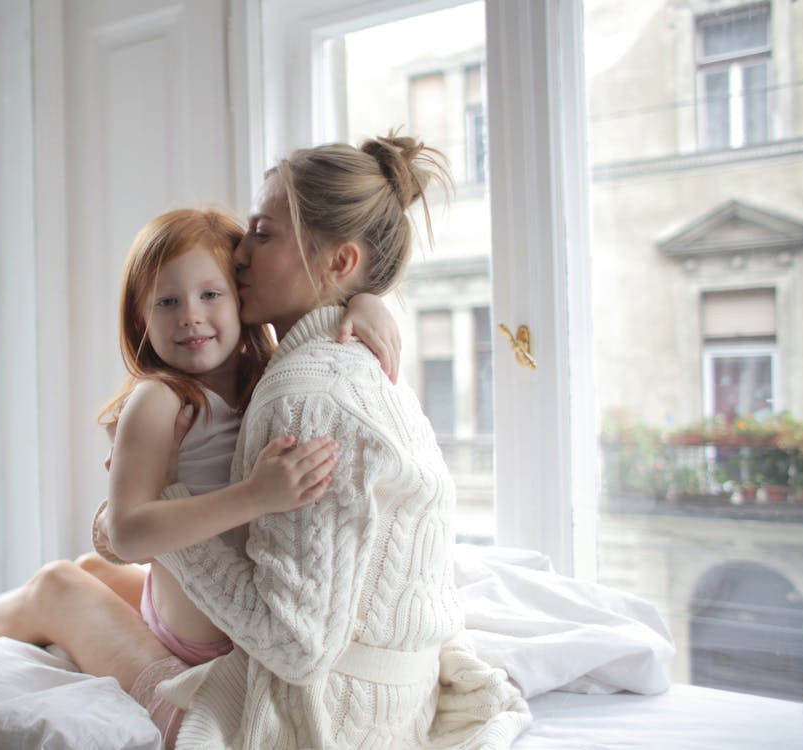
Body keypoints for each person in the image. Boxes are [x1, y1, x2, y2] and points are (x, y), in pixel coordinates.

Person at [0, 205, 402, 747]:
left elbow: (322, 311)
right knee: (60, 581)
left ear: (243, 300)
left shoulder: (275, 376)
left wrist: (366, 302)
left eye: (211, 295)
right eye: (167, 301)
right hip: (195, 636)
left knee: (83, 571)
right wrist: (254, 496)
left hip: (220, 628)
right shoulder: (159, 400)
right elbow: (128, 533)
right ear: (141, 319)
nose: (190, 315)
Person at [113, 132, 532, 748]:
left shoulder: (302, 392)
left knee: (61, 589)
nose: (239, 255)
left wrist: (165, 505)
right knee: (86, 574)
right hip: (394, 700)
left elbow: (294, 645)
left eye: (263, 232)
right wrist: (364, 300)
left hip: (331, 715)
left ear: (339, 262)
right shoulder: (350, 362)